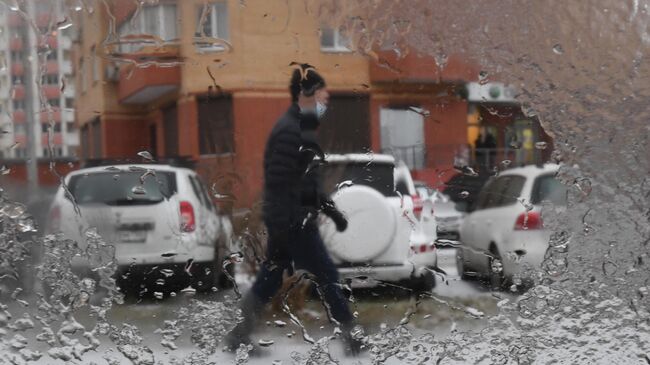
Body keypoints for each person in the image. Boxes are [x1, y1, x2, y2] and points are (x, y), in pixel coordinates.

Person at [224, 64, 362, 355]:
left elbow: (305, 180)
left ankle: (238, 335)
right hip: (293, 222)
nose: (325, 105)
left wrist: (331, 211)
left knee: (270, 278)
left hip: (288, 219)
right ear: (305, 95)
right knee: (327, 277)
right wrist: (291, 222)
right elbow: (280, 180)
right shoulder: (291, 132)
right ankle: (351, 339)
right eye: (322, 99)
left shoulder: (298, 129)